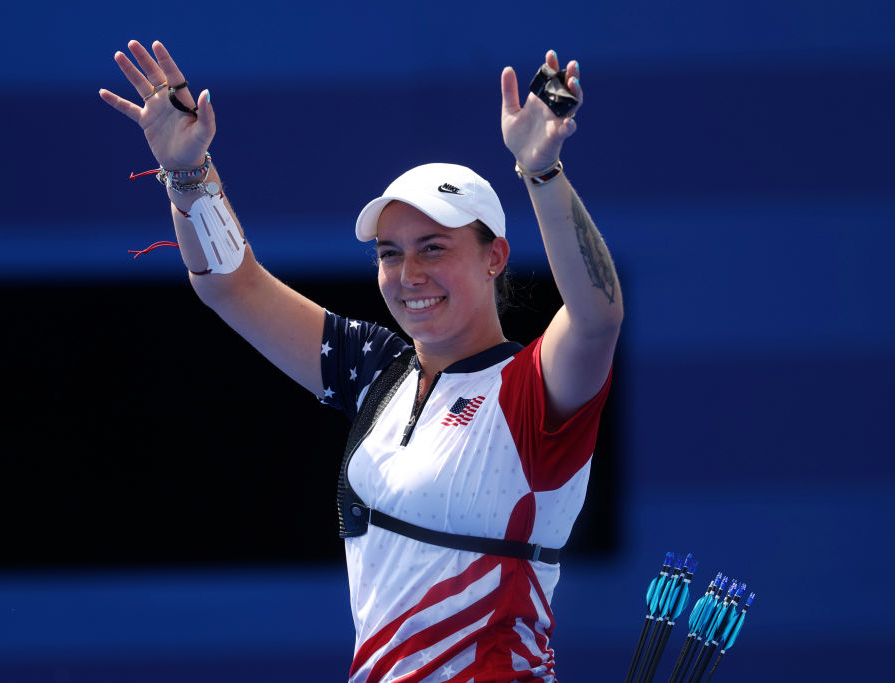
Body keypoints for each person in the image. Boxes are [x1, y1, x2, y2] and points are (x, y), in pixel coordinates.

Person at [101, 40, 622, 683]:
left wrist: (542, 171)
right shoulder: (380, 371)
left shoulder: (532, 393)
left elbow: (597, 316)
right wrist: (188, 170)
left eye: (433, 248)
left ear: (494, 257)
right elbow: (230, 285)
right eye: (389, 253)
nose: (409, 274)